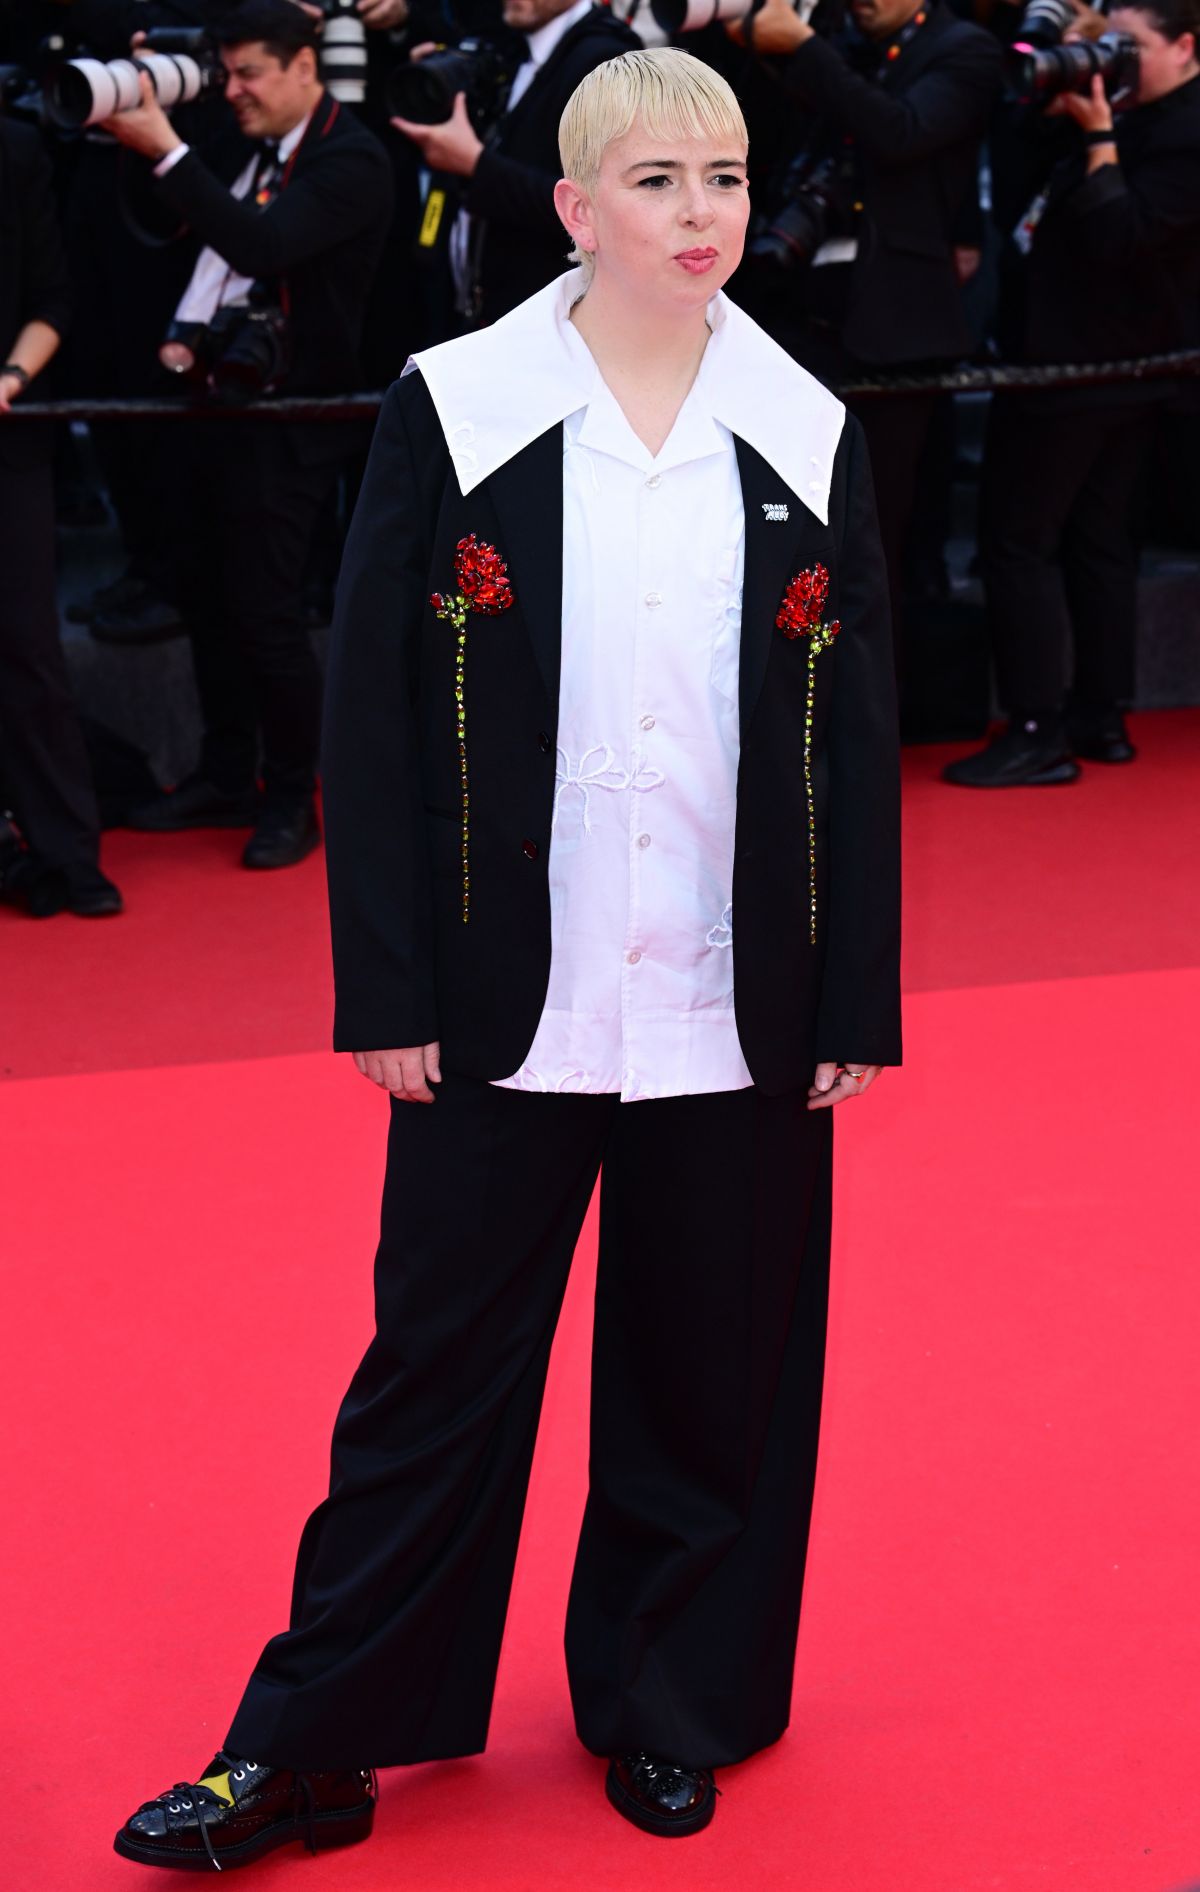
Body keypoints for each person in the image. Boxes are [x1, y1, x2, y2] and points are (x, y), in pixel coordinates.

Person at [114, 45, 901, 1872]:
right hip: (499, 990)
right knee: (434, 1372)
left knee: (714, 1366)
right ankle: (314, 1740)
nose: (700, 214)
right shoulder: (461, 405)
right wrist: (386, 988)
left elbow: (853, 738)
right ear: (572, 208)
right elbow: (374, 716)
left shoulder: (804, 427)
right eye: (657, 181)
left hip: (735, 993)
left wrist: (853, 993)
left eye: (725, 178)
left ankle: (671, 1699)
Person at [103, 0, 394, 869]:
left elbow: (264, 246)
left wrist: (170, 150)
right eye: (225, 74)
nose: (232, 91)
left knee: (267, 616)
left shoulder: (352, 158)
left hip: (290, 419)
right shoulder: (242, 144)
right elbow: (161, 225)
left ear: (306, 65)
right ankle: (226, 774)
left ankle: (292, 796)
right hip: (212, 406)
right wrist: (150, 137)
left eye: (249, 74)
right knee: (205, 599)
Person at [945, 0, 1200, 786]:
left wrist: (1097, 134)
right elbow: (1015, 176)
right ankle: (1099, 715)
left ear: (1186, 47)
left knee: (1017, 542)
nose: (1115, 59)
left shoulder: (1185, 131)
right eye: (1108, 42)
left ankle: (1035, 730)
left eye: (1132, 46)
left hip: (1084, 370)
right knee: (1098, 540)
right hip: (1092, 362)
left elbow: (1124, 236)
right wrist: (1066, 98)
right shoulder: (1123, 105)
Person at [732, 0, 1003, 685]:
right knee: (785, 532)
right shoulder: (837, 40)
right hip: (799, 315)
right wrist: (769, 46)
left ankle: (870, 717)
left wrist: (804, 47)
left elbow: (899, 131)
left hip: (893, 330)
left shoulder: (965, 49)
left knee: (871, 541)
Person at [0, 111, 122, 919]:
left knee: (25, 646)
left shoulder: (14, 150)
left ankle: (66, 853)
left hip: (8, 432)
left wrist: (10, 379)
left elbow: (52, 297)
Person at [393, 0, 638, 326]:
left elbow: (601, 207)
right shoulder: (509, 44)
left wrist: (476, 165)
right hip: (470, 310)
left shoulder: (607, 63)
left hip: (547, 323)